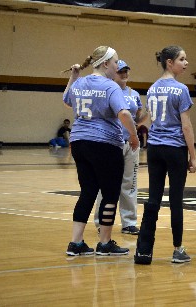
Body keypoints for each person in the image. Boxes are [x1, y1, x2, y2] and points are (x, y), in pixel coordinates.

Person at [63, 46, 139, 256]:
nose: (117, 66)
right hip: (104, 144)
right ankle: (105, 242)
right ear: (105, 64)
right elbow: (123, 113)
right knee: (110, 193)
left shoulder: (79, 82)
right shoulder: (110, 86)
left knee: (87, 191)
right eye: (115, 62)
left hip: (79, 143)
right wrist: (133, 135)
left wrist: (74, 76)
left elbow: (67, 100)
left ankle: (75, 243)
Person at [134, 46, 196, 265]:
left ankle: (144, 250)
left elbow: (147, 118)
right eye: (182, 59)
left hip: (154, 148)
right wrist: (193, 156)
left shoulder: (152, 89)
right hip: (174, 148)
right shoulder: (181, 90)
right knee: (176, 200)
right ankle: (178, 249)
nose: (186, 63)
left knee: (153, 199)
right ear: (169, 62)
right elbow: (186, 126)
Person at [94, 60, 147, 235]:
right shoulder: (107, 90)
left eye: (126, 71)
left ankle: (129, 222)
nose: (124, 74)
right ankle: (101, 221)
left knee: (130, 183)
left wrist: (149, 112)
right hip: (110, 143)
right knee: (106, 183)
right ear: (114, 71)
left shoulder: (134, 94)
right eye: (121, 71)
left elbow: (137, 119)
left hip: (130, 143)